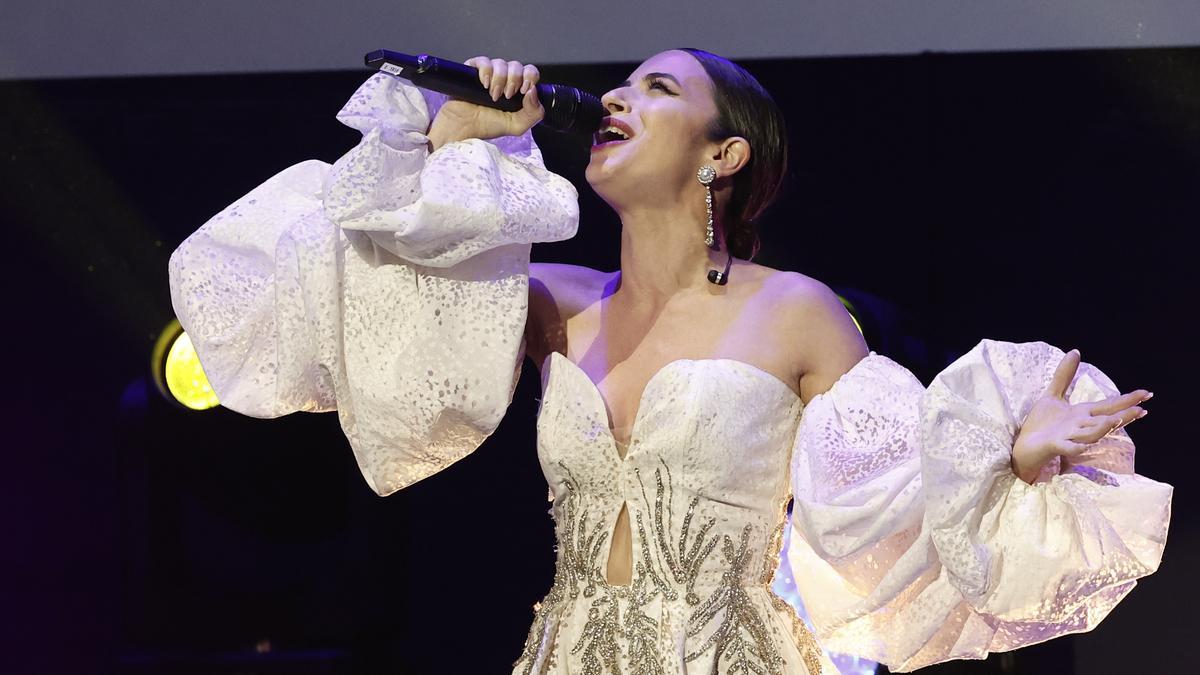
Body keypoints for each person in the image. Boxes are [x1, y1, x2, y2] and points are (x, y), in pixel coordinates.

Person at [168, 48, 1173, 674]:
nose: (615, 95)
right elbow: (354, 300)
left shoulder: (796, 315)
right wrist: (450, 139)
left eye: (656, 88)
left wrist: (1012, 455)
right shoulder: (549, 306)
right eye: (623, 81)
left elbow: (890, 503)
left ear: (720, 154)